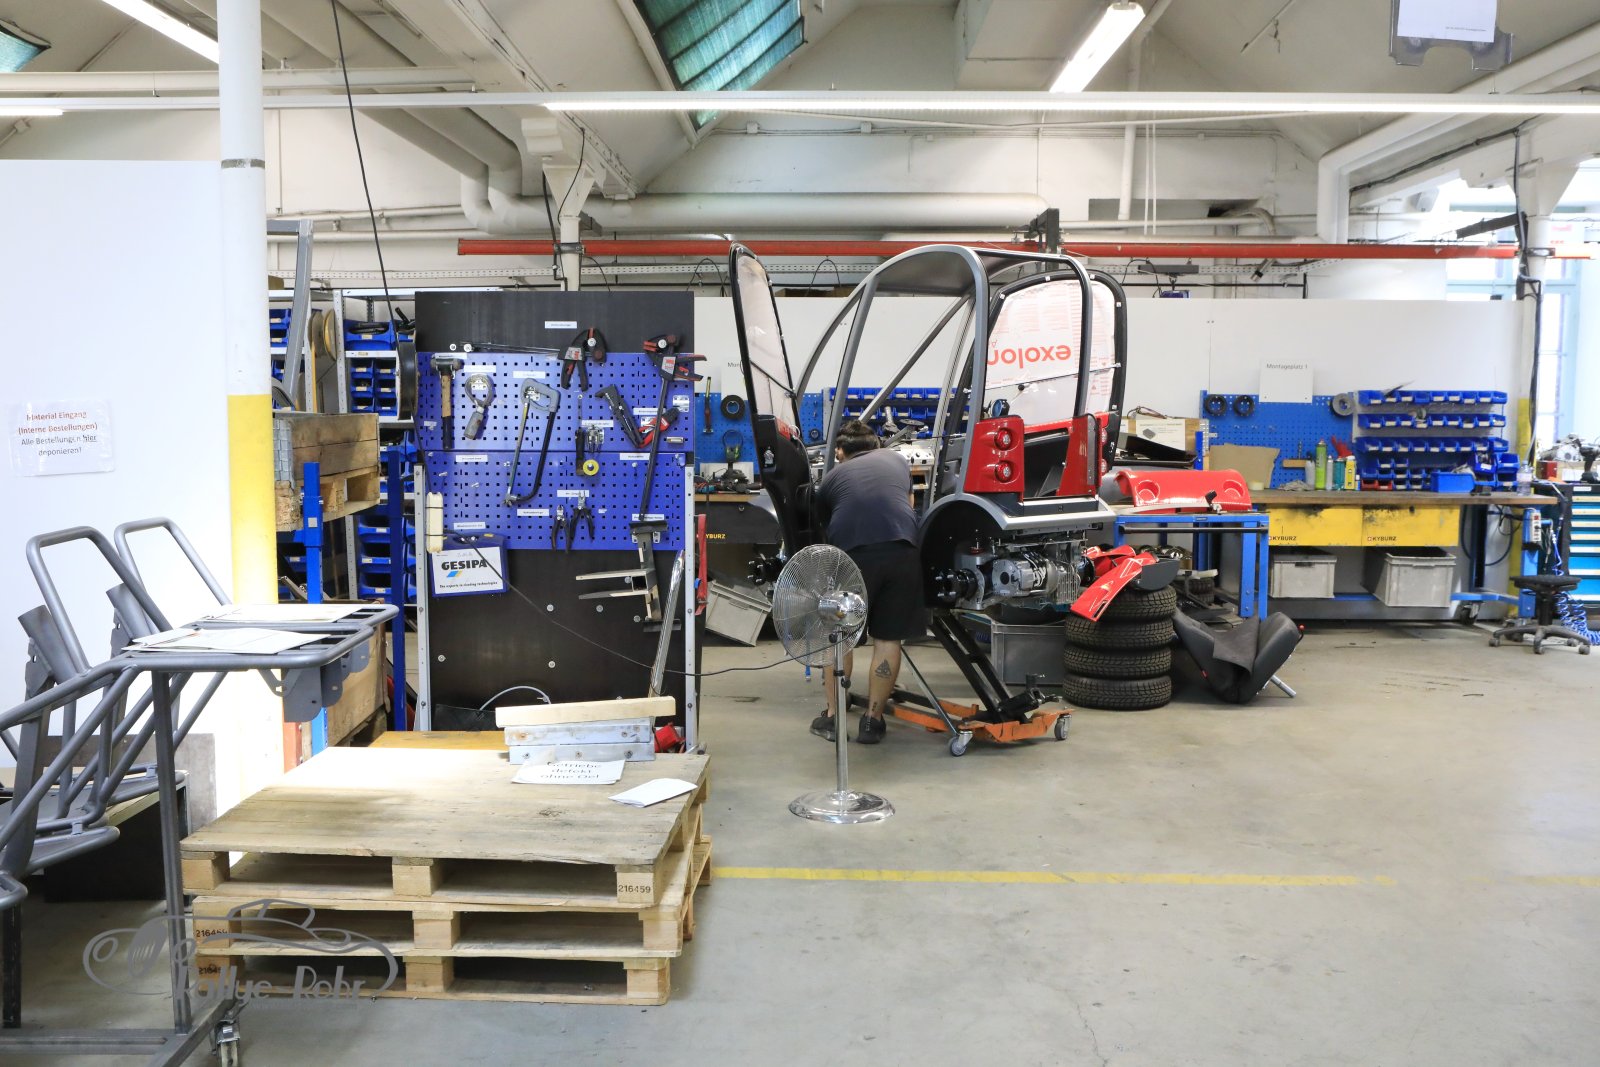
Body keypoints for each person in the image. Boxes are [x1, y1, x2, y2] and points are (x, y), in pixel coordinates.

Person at [809, 419, 926, 744]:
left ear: (840, 452)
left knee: (840, 636)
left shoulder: (832, 478)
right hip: (903, 551)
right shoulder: (897, 461)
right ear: (876, 446)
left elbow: (825, 524)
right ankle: (872, 722)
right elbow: (910, 505)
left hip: (854, 556)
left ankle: (833, 718)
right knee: (888, 639)